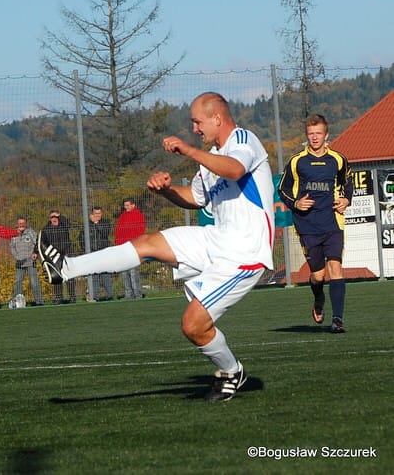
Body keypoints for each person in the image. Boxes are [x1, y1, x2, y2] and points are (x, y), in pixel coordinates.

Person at [38, 92, 275, 402]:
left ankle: (231, 371)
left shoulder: (244, 141)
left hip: (245, 253)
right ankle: (65, 268)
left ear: (217, 118)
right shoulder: (210, 158)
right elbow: (194, 198)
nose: (194, 129)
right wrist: (165, 192)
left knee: (192, 326)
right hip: (217, 239)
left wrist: (188, 150)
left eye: (197, 122)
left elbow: (235, 170)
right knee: (148, 242)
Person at [279, 114, 353, 333]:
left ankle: (338, 320)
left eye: (318, 133)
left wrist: (347, 200)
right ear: (307, 136)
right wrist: (296, 203)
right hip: (307, 226)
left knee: (336, 268)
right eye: (311, 134)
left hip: (333, 223)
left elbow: (348, 182)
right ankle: (318, 298)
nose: (314, 137)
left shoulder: (338, 160)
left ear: (326, 135)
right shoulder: (296, 161)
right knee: (318, 275)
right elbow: (282, 189)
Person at [40, 210, 76, 304]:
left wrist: (60, 216)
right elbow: (41, 242)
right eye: (52, 217)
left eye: (56, 217)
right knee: (56, 277)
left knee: (70, 276)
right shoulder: (46, 229)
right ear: (49, 218)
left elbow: (69, 224)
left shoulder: (64, 225)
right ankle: (58, 297)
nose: (54, 219)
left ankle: (72, 296)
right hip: (54, 255)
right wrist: (36, 252)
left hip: (67, 253)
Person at [114, 198, 146, 299]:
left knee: (133, 272)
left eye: (128, 205)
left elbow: (140, 231)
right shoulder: (123, 216)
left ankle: (137, 294)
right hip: (123, 248)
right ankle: (128, 294)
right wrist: (118, 244)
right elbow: (118, 231)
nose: (126, 207)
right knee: (124, 272)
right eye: (125, 205)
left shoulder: (138, 215)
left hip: (133, 248)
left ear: (133, 205)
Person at [80, 206, 113, 301]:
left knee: (105, 275)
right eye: (95, 213)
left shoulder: (105, 223)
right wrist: (85, 249)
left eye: (99, 213)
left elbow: (105, 233)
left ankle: (109, 296)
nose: (97, 215)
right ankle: (95, 296)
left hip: (103, 253)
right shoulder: (87, 225)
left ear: (102, 214)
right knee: (93, 276)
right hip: (92, 253)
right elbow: (82, 237)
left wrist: (96, 224)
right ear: (92, 214)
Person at [9, 216, 44, 306]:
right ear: (17, 224)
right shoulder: (14, 234)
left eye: (23, 223)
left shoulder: (31, 232)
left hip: (30, 262)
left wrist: (35, 253)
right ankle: (18, 302)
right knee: (18, 282)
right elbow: (12, 247)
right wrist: (17, 256)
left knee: (34, 282)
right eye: (19, 223)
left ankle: (39, 301)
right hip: (19, 263)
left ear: (26, 223)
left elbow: (37, 243)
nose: (21, 225)